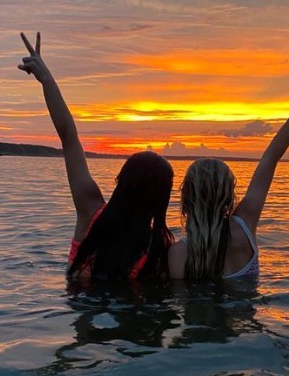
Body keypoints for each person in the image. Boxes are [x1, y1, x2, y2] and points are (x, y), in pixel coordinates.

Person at [18, 33, 174, 280]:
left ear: (121, 180)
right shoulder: (160, 251)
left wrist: (46, 79)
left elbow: (68, 136)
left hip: (76, 301)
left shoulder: (90, 210)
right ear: (162, 199)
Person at [168, 70, 289, 280]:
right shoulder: (245, 224)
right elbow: (271, 157)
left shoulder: (178, 254)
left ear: (187, 196)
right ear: (229, 193)